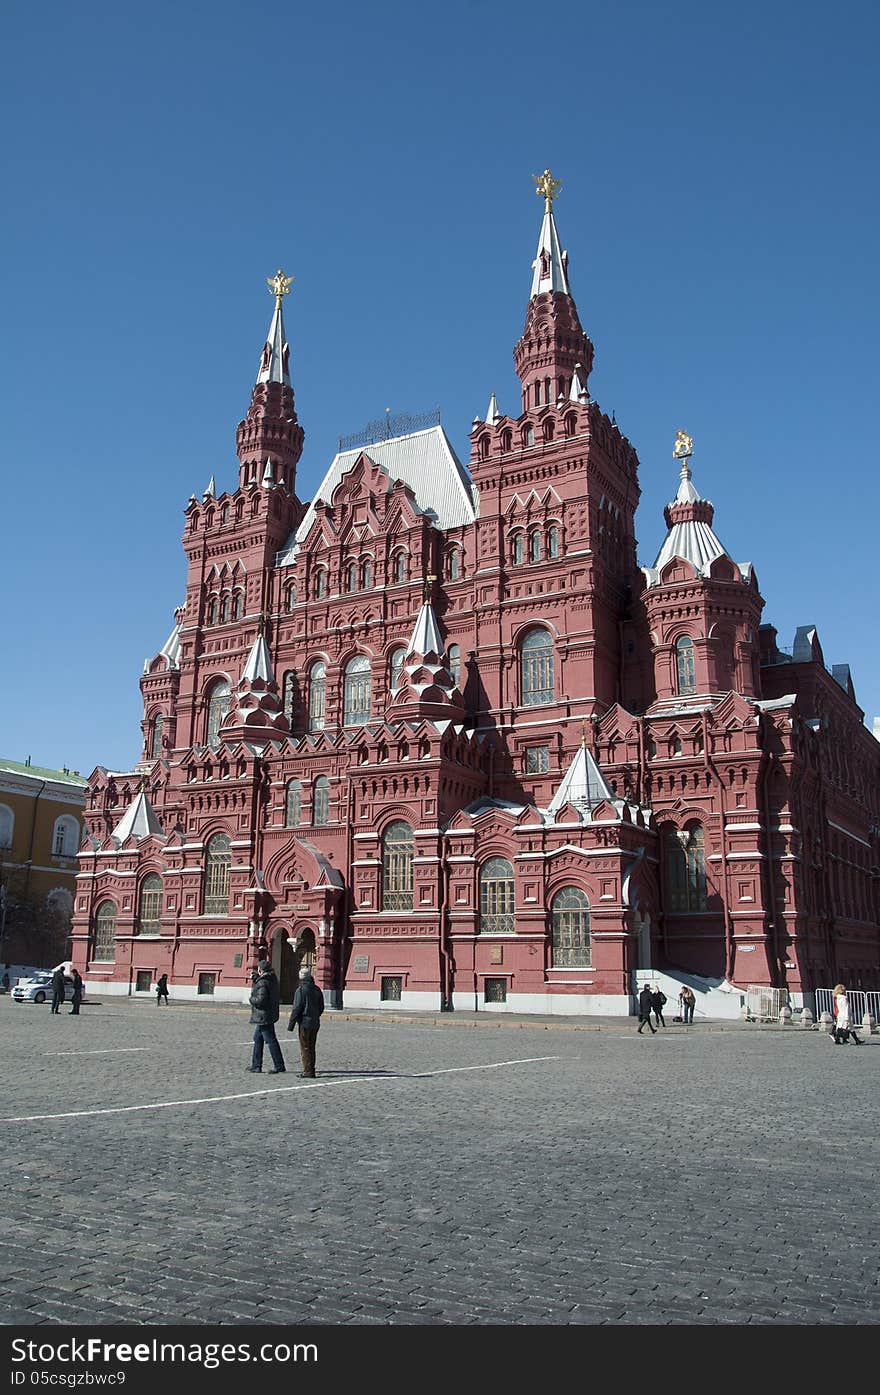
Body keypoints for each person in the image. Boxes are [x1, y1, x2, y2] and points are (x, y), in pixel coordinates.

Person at [247, 960, 286, 1073]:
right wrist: (256, 979)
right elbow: (264, 988)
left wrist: (251, 999)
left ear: (260, 970)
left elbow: (261, 999)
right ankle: (256, 1065)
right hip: (268, 1014)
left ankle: (279, 1065)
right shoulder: (272, 979)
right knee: (257, 1039)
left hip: (263, 1015)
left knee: (270, 1040)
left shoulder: (263, 982)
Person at [288, 966, 325, 1077]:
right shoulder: (317, 989)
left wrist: (291, 1024)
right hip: (315, 1022)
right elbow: (321, 1007)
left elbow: (296, 1008)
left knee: (305, 1047)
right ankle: (311, 1068)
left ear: (301, 978)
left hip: (304, 1023)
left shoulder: (301, 990)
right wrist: (316, 1015)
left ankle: (308, 1071)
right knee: (312, 1047)